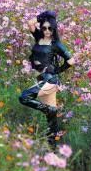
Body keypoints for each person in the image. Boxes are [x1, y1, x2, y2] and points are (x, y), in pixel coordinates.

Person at [18, 10, 75, 150]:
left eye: (50, 28)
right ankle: (53, 150)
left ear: (54, 29)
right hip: (42, 79)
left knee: (24, 97)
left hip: (50, 81)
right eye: (44, 27)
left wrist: (57, 70)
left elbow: (71, 61)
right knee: (51, 121)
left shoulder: (56, 44)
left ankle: (49, 110)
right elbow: (30, 23)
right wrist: (44, 16)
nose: (47, 30)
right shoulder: (38, 37)